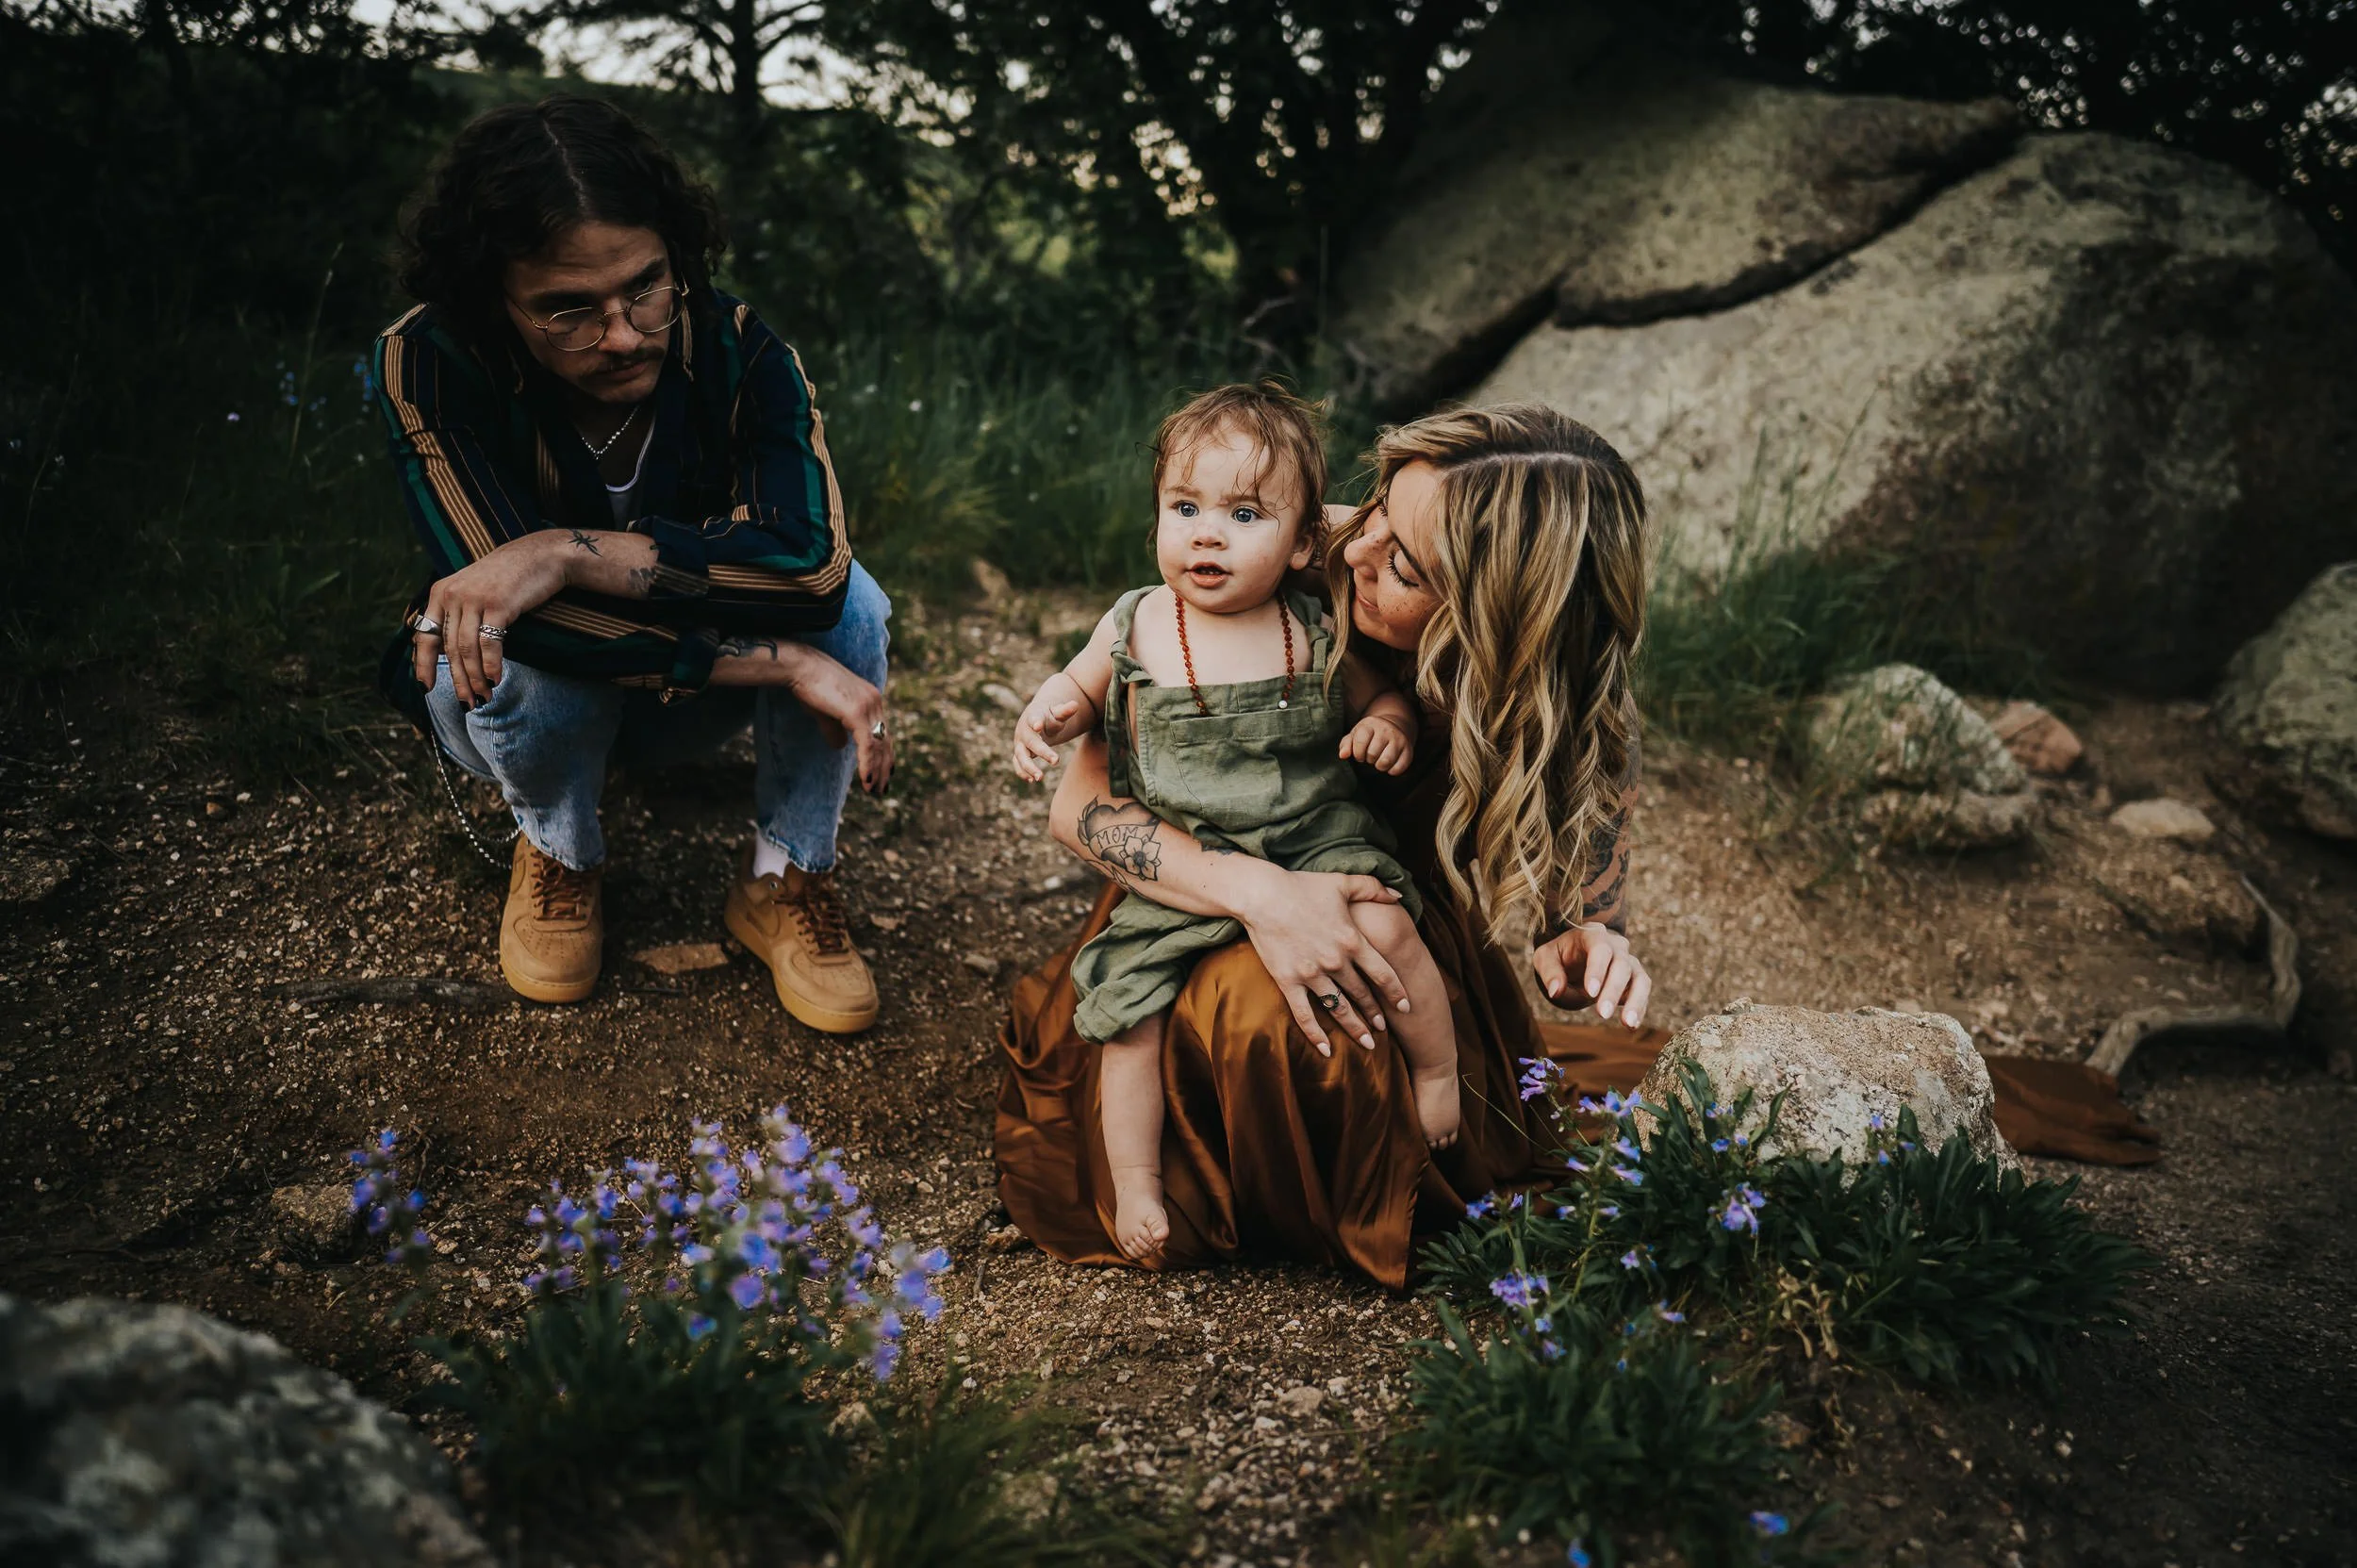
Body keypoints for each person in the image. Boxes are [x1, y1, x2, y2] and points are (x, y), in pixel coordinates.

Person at [997, 404, 1656, 1287]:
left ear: (1502, 620)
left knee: (1371, 1020)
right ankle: (1202, 1189)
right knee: (1263, 1023)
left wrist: (1582, 928)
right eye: (1378, 507)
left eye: (1405, 565)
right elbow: (1078, 804)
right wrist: (1262, 896)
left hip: (1382, 896)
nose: (1359, 553)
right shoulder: (1283, 550)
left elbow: (1581, 843)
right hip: (1198, 878)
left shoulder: (1548, 689)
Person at [371, 94, 893, 1030]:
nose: (621, 335)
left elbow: (809, 569)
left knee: (853, 603)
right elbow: (502, 608)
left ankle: (784, 873)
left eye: (645, 288)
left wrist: (562, 551)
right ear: (493, 299)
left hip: (687, 705)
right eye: (568, 310)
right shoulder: (431, 359)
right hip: (528, 696)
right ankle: (560, 850)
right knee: (504, 632)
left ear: (675, 259)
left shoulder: (741, 348)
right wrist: (783, 661)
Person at [1008, 385, 1462, 1262]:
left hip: (1314, 840)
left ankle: (1437, 1071)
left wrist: (1388, 726)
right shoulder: (1135, 621)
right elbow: (1075, 691)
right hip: (1188, 861)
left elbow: (1382, 698)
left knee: (1388, 926)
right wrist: (1052, 713)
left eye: (1242, 514)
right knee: (1128, 1016)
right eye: (1184, 508)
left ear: (1301, 546)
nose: (1206, 533)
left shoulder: (1313, 625)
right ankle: (1137, 1177)